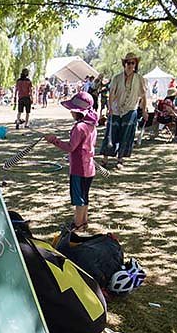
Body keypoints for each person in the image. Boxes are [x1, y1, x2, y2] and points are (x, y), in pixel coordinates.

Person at [44, 91, 98, 231]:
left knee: (78, 198)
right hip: (89, 168)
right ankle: (84, 222)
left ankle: (78, 225)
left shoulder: (79, 127)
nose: (70, 113)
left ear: (77, 112)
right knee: (84, 196)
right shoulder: (91, 125)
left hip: (79, 169)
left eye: (72, 110)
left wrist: (54, 140)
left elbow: (70, 147)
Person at [107, 52, 148, 168]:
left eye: (133, 63)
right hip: (116, 109)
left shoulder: (140, 79)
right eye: (128, 62)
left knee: (125, 135)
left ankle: (120, 159)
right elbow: (111, 94)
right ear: (124, 64)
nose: (130, 65)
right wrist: (110, 107)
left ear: (135, 64)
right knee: (111, 132)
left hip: (131, 109)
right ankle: (105, 157)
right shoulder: (117, 78)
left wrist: (144, 111)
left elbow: (143, 96)